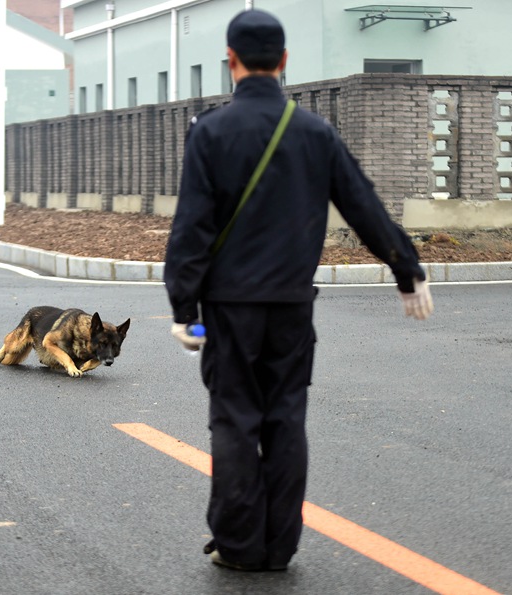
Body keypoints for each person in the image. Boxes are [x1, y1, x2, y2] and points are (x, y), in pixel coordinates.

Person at [164, 9, 433, 572]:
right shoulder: (314, 132)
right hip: (291, 303)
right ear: (284, 62)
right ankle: (280, 545)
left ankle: (239, 546)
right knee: (286, 418)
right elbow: (362, 204)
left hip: (229, 306)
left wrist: (182, 307)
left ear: (230, 61)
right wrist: (406, 270)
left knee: (234, 418)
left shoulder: (209, 131)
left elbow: (192, 226)